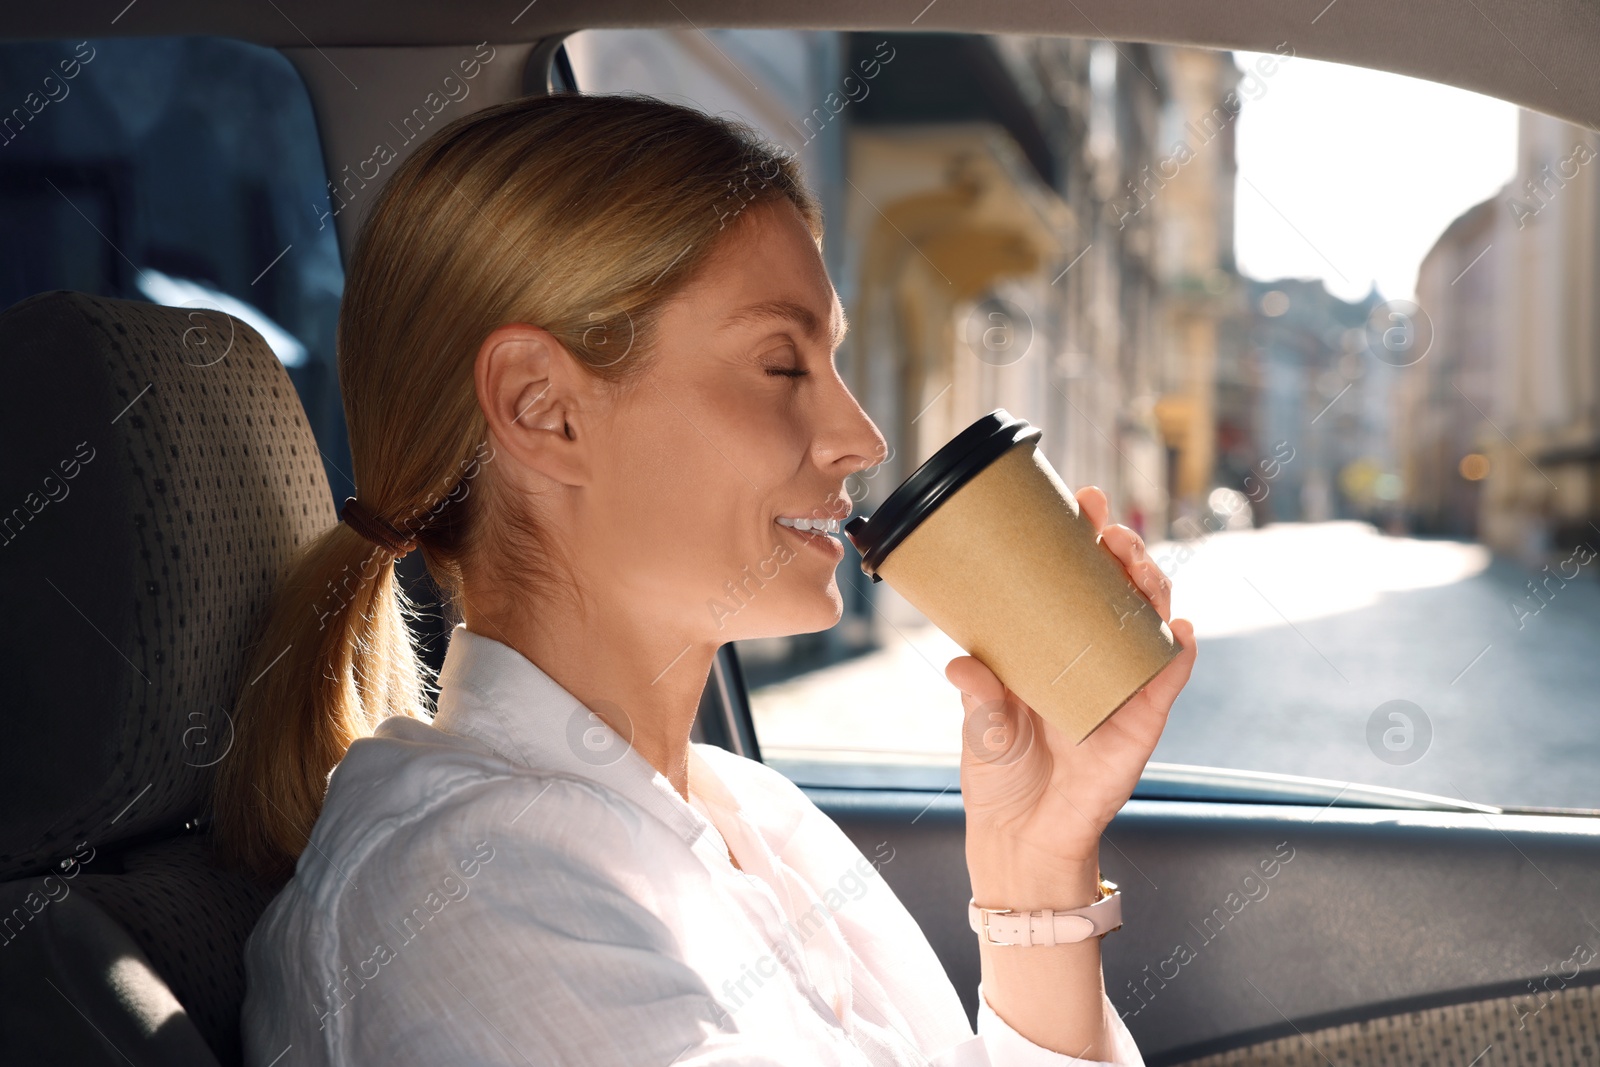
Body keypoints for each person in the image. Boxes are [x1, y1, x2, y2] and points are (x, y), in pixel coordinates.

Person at [216, 92, 1198, 1066]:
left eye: (833, 359)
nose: (861, 437)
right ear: (543, 409)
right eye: (781, 364)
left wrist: (1035, 867)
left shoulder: (749, 810)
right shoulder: (467, 886)